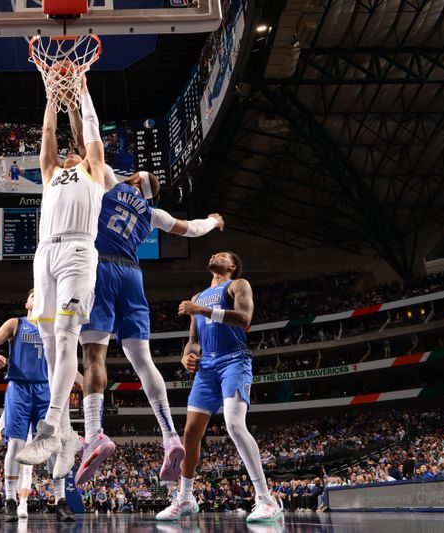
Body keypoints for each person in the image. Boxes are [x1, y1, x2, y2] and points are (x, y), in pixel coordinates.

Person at [74, 140, 225, 484]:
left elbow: (87, 144)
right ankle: (170, 435)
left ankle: (95, 433)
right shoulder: (154, 214)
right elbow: (193, 228)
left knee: (94, 355)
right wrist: (214, 220)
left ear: (135, 181)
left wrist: (75, 102)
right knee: (143, 360)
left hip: (102, 269)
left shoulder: (111, 183)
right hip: (133, 275)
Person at [17, 74, 106, 481]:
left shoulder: (94, 172)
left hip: (77, 251)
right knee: (51, 350)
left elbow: (91, 133)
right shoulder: (51, 172)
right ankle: (69, 435)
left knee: (69, 335)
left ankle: (51, 427)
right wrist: (52, 95)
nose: (70, 155)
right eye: (67, 154)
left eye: (78, 153)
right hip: (45, 253)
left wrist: (82, 91)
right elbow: (49, 133)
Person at [156, 252, 282, 523]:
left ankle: (265, 499)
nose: (214, 254)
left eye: (222, 254)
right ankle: (186, 498)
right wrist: (186, 355)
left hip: (233, 361)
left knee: (234, 425)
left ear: (232, 266)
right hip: (206, 368)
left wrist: (199, 310)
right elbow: (193, 339)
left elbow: (244, 318)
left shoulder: (238, 285)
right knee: (190, 433)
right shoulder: (199, 296)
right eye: (213, 253)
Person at [0, 289, 74, 522]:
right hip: (19, 389)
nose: (39, 296)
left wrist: (80, 380)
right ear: (27, 303)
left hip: (47, 390)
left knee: (54, 446)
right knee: (15, 446)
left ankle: (61, 501)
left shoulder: (54, 326)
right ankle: (10, 501)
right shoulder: (15, 323)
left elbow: (66, 360)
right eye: (34, 295)